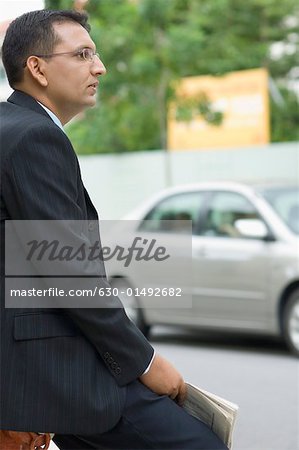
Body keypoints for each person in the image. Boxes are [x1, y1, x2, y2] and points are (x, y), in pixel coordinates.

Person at [0, 9, 227, 450]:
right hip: (59, 374)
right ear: (37, 68)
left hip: (42, 372)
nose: (99, 67)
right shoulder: (32, 137)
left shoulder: (12, 128)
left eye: (96, 54)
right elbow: (70, 275)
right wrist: (145, 361)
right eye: (83, 54)